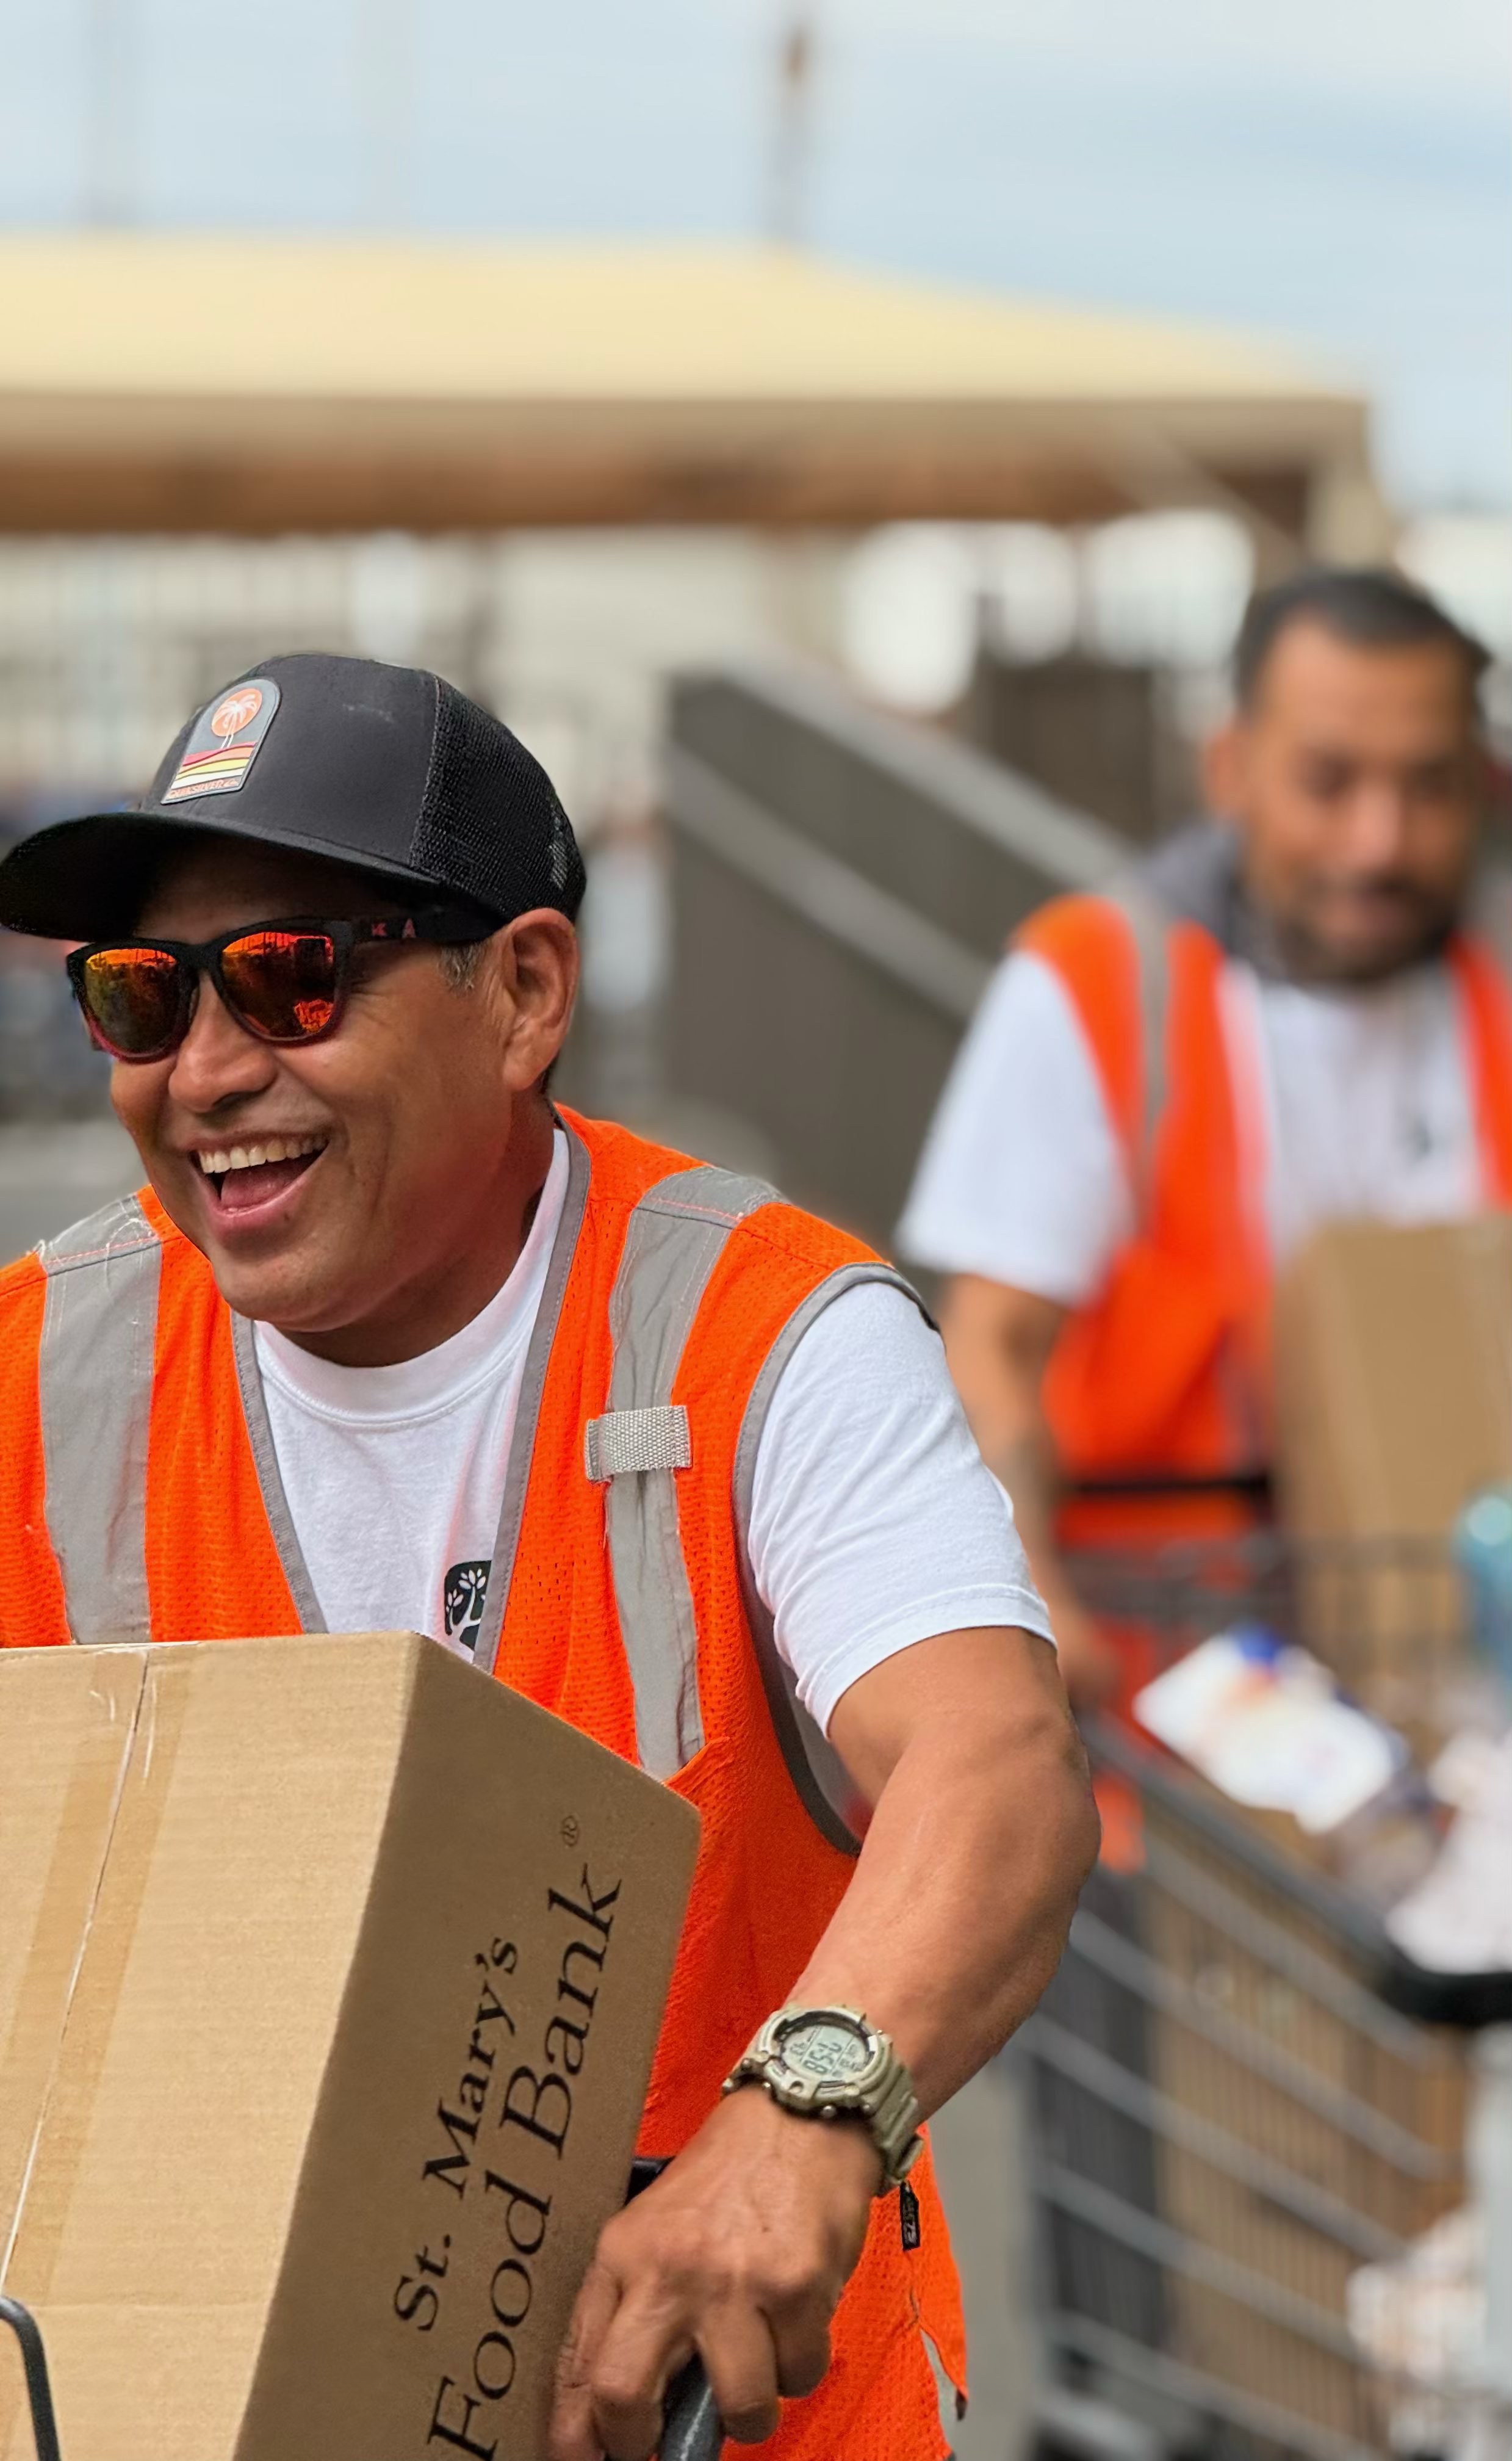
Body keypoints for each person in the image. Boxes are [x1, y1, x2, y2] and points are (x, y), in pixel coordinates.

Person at [0, 653, 1097, 2461]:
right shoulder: (46, 1374)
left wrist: (799, 2121)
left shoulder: (758, 1331)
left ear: (520, 993)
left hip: (730, 2426)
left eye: (288, 978)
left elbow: (992, 1765)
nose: (202, 1073)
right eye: (138, 998)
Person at [899, 566, 1502, 1704]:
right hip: (1166, 1682)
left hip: (1461, 1676)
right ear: (1229, 767)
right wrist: (1031, 1614)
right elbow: (992, 1350)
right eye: (1328, 782)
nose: (1379, 840)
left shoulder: (1494, 1003)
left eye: (1426, 787)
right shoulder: (1098, 985)